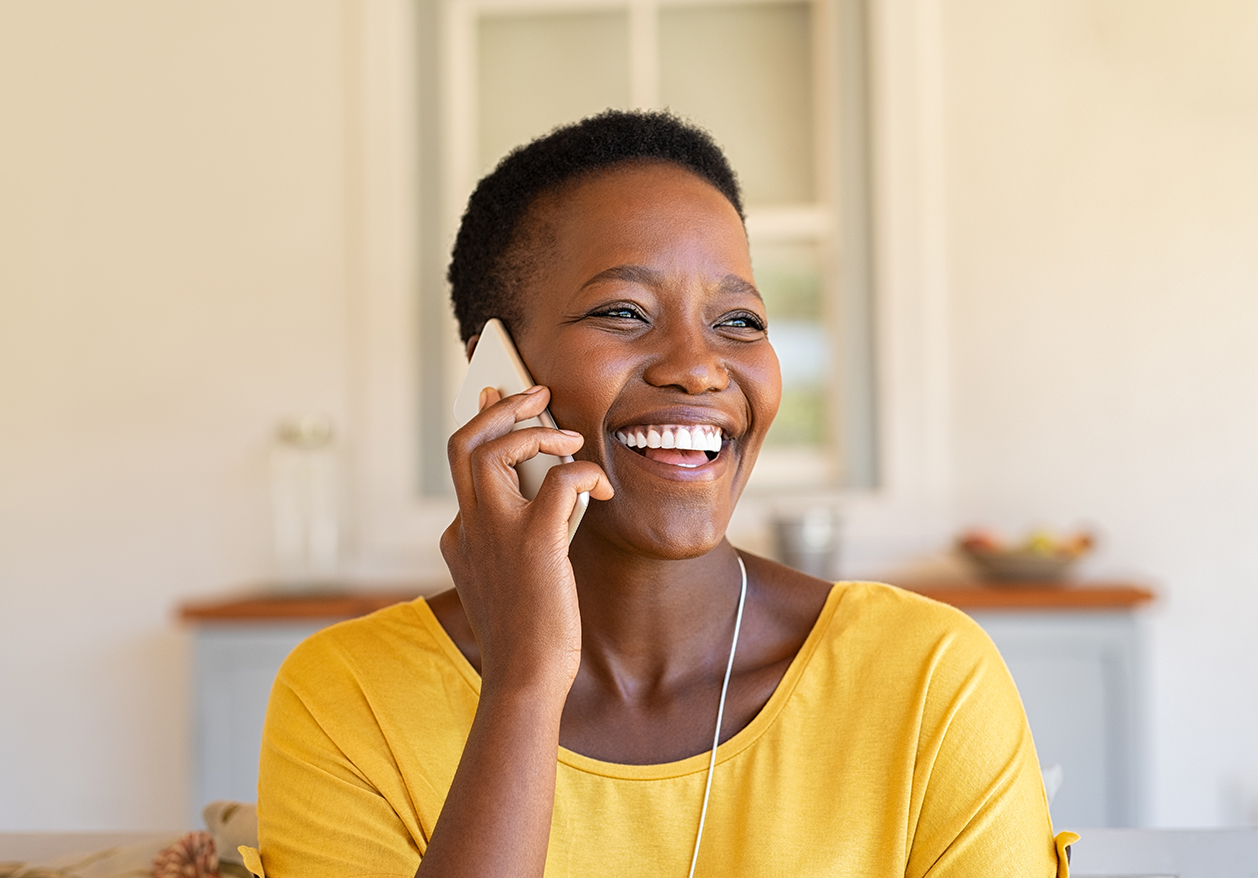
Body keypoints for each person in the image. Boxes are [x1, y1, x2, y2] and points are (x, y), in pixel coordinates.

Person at [246, 111, 1075, 878]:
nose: (700, 366)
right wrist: (525, 685)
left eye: (739, 321)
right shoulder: (345, 697)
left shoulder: (926, 676)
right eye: (623, 311)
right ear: (496, 370)